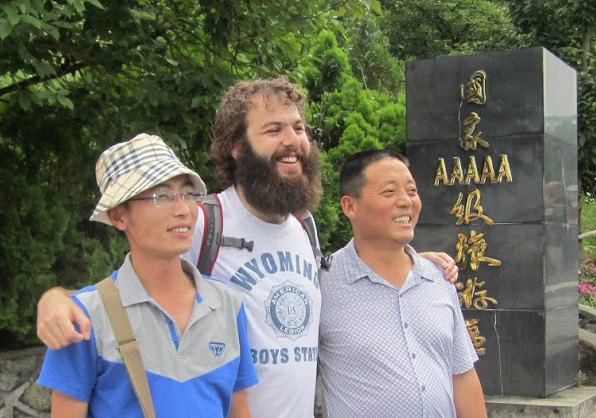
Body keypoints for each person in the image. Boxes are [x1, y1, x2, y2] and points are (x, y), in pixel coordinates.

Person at [36, 78, 458, 418]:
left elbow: (350, 283)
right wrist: (55, 299)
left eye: (298, 127)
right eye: (273, 130)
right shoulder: (204, 219)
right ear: (236, 147)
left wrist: (413, 264)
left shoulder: (303, 226)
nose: (292, 139)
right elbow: (125, 293)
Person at [37, 134, 257, 417]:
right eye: (161, 196)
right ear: (118, 216)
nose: (183, 210)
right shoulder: (82, 319)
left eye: (188, 194)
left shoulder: (228, 303)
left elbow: (239, 412)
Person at [318, 149, 486, 418]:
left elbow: (462, 376)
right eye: (389, 192)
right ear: (350, 206)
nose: (406, 202)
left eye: (411, 191)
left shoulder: (438, 279)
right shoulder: (322, 284)